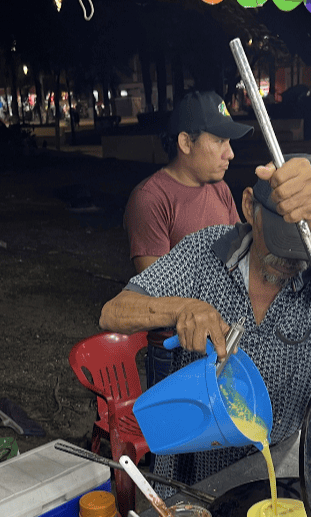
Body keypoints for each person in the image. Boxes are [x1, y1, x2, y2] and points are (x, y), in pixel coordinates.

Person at [102, 154, 311, 495]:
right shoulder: (204, 252)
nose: (290, 260)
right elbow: (114, 312)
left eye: (304, 246)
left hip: (276, 474)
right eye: (282, 237)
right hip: (189, 475)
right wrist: (181, 309)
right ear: (250, 205)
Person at [124, 90, 254, 391]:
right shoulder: (151, 199)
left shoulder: (220, 189)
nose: (230, 153)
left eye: (230, 142)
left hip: (225, 342)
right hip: (176, 352)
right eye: (220, 141)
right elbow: (157, 289)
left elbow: (241, 256)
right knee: (178, 435)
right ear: (185, 142)